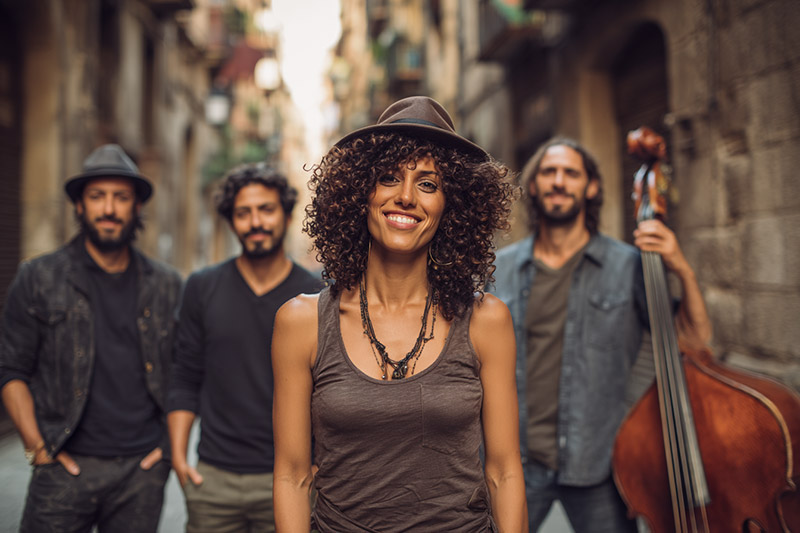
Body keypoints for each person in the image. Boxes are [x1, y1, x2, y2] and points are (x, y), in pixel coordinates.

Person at [271, 96, 527, 532]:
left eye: (428, 184)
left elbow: (504, 472)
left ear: (452, 206)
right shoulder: (300, 323)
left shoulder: (487, 320)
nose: (406, 197)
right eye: (389, 178)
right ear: (359, 194)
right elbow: (292, 477)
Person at [489, 137, 713, 532]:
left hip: (599, 466)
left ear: (591, 187)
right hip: (513, 463)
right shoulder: (499, 269)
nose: (559, 181)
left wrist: (682, 269)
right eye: (548, 172)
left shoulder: (627, 265)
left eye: (571, 173)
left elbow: (694, 341)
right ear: (534, 186)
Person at [0, 144, 183, 532]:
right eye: (97, 196)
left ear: (137, 206)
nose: (109, 209)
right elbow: (11, 369)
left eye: (121, 197)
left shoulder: (166, 284)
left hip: (141, 471)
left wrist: (168, 448)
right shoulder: (39, 277)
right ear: (80, 206)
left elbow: (186, 371)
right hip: (63, 466)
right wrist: (38, 450)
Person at [167, 163, 322, 533]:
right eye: (243, 213)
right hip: (214, 478)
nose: (256, 222)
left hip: (294, 477)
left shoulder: (316, 295)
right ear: (231, 221)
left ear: (286, 215)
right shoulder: (202, 287)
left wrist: (319, 466)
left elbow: (329, 386)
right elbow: (185, 374)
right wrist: (179, 457)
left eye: (266, 210)